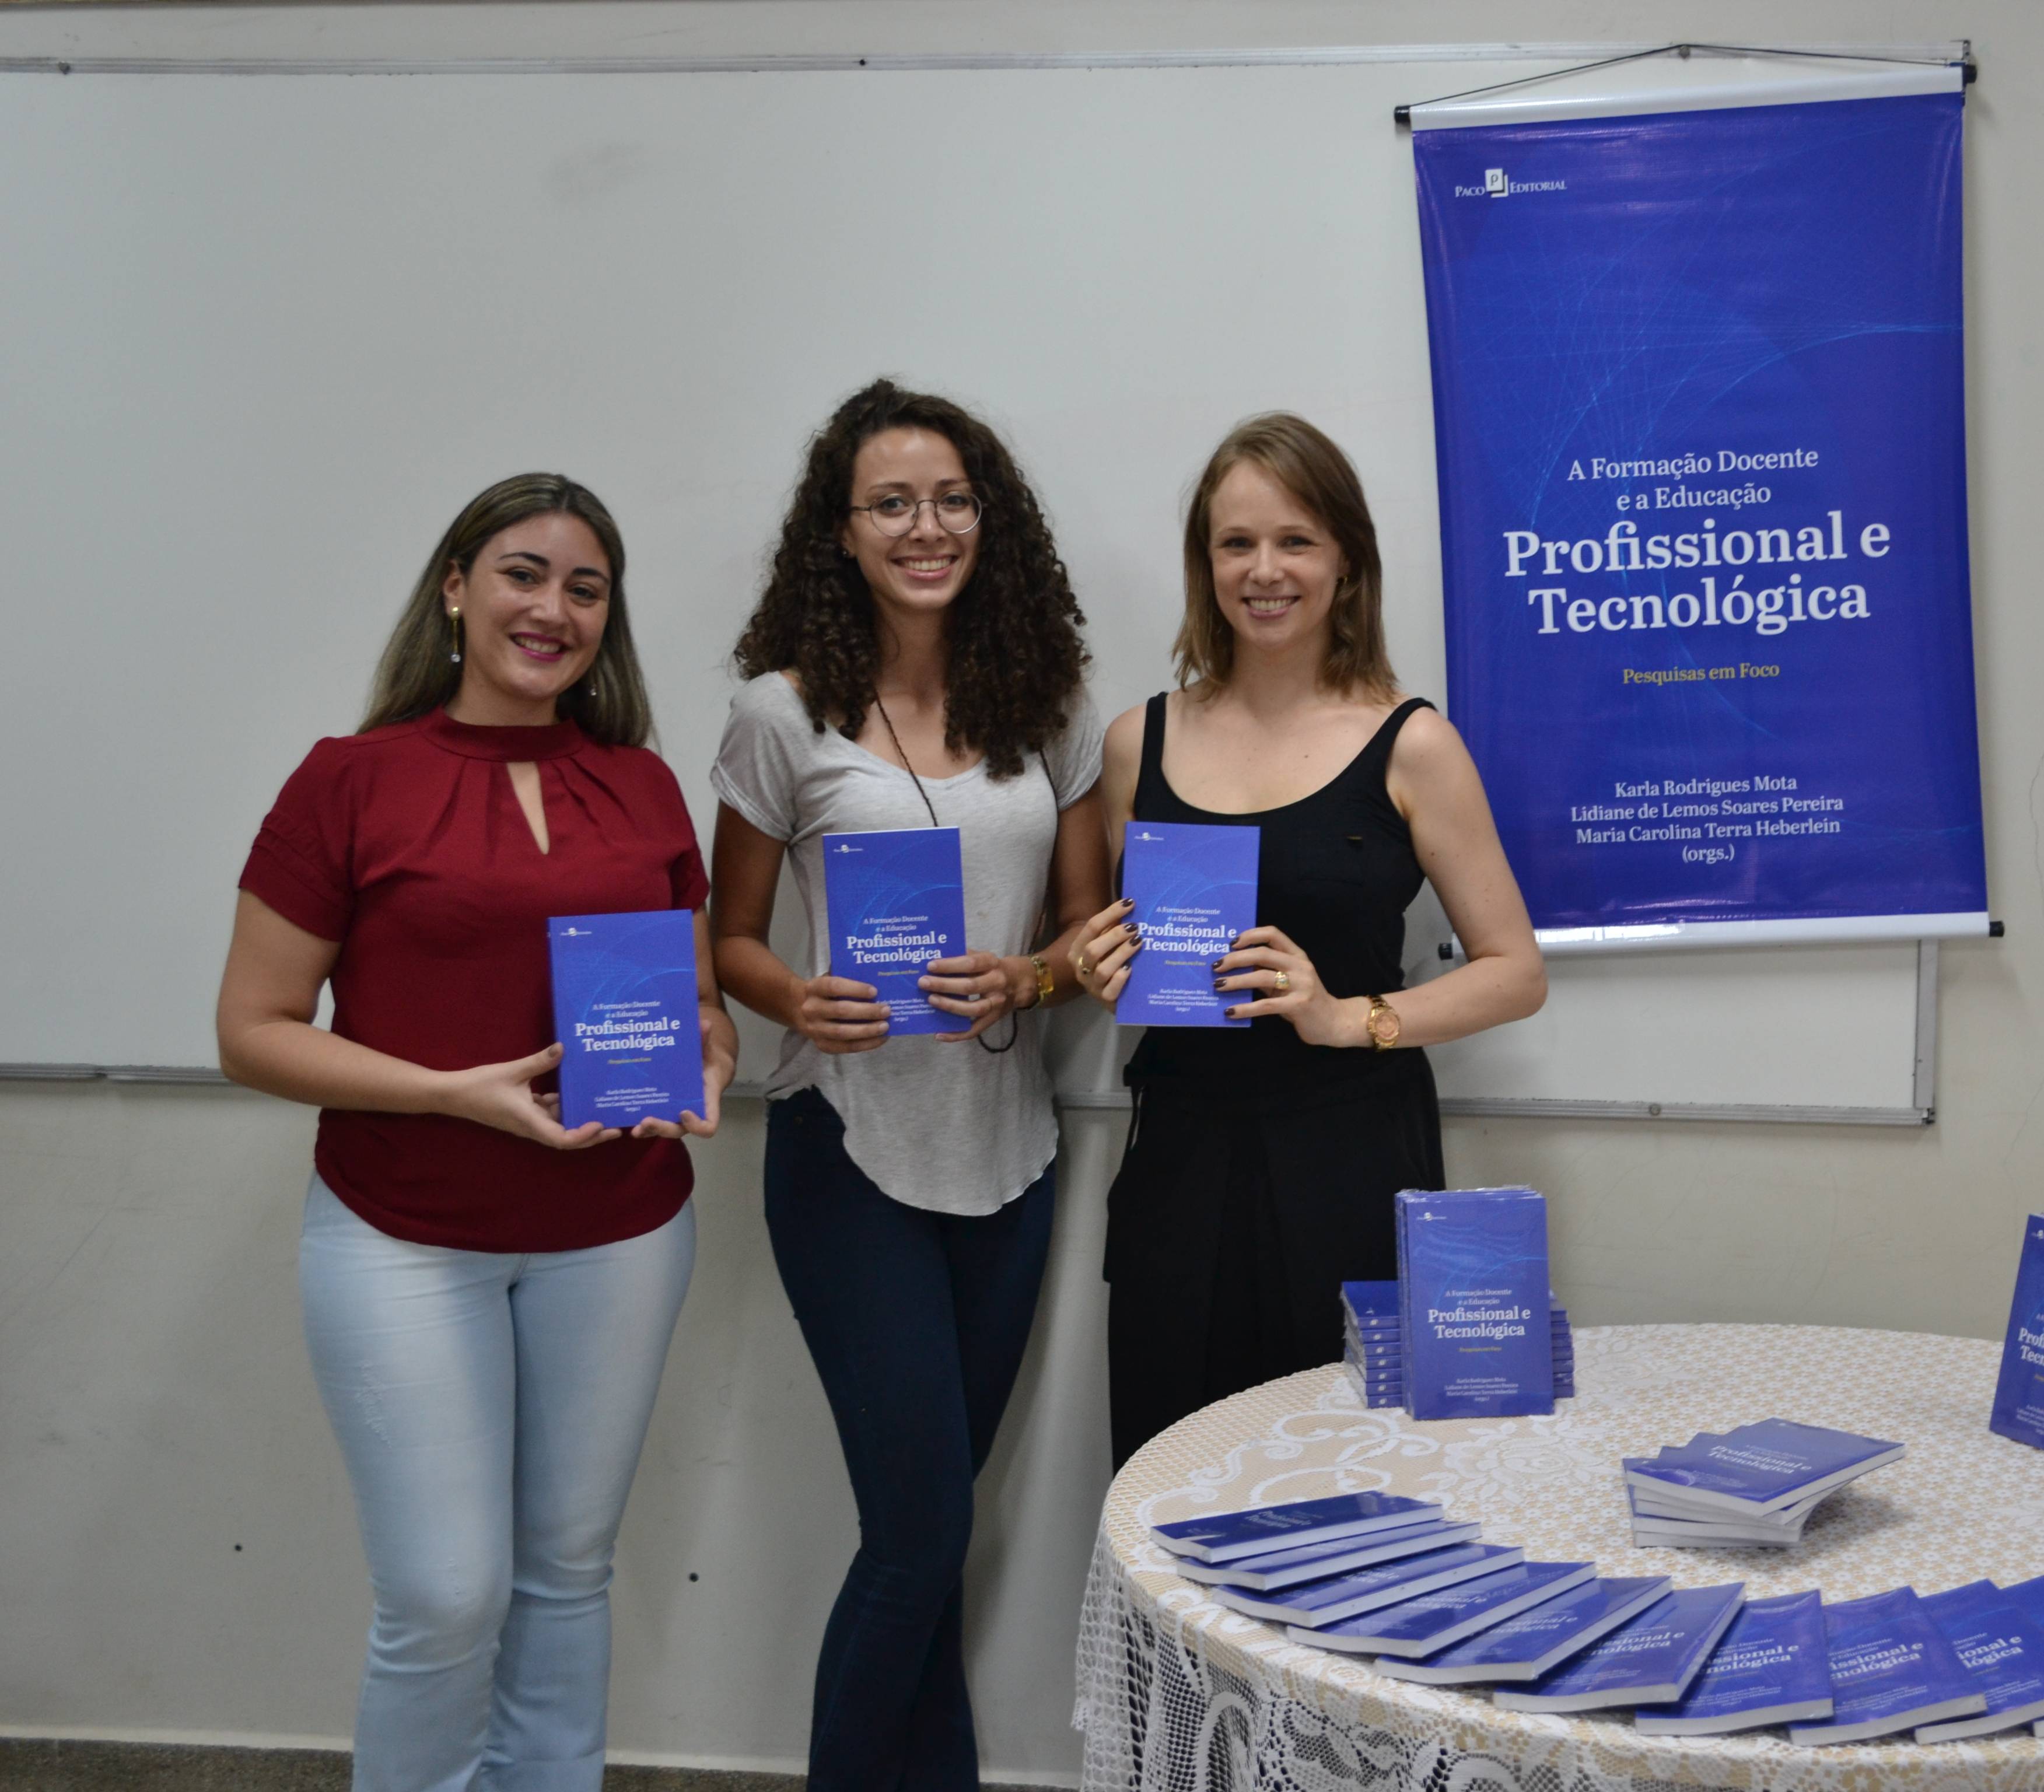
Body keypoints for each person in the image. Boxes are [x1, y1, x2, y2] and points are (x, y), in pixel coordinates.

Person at [215, 474, 732, 1792]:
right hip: (405, 1233)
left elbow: (698, 999)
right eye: (521, 573)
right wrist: (457, 1091)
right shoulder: (350, 782)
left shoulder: (644, 786)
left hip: (619, 1231)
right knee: (444, 1597)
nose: (549, 608)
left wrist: (713, 1049)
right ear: (455, 586)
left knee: (565, 1575)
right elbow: (255, 1029)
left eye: (584, 587)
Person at [708, 382, 1104, 1792]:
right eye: (892, 503)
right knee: (921, 1532)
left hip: (1012, 1157)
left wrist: (1032, 981)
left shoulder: (1048, 700)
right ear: (845, 530)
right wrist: (791, 994)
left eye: (950, 498)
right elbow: (730, 939)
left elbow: (1089, 930)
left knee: (938, 1526)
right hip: (846, 1150)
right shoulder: (780, 711)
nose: (925, 526)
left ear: (986, 520)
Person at [1074, 412, 1546, 1471]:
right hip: (1179, 1165)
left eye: (1295, 540)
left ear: (1346, 560)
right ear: (1205, 565)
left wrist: (1348, 1018)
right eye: (1236, 543)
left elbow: (1516, 974)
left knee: (1345, 1488)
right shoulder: (1135, 742)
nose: (1265, 570)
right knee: (1170, 1486)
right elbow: (1126, 947)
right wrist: (1101, 969)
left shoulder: (1411, 742)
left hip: (1350, 1153)